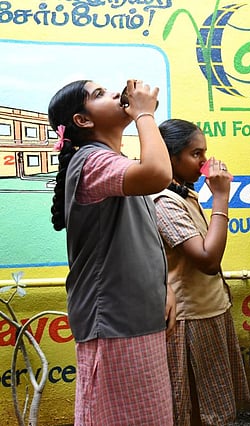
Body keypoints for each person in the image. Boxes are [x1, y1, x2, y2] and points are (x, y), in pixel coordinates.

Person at [49, 79, 175, 425]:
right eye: (99, 94)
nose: (115, 94)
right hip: (113, 322)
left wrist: (163, 290)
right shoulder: (92, 161)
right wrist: (144, 114)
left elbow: (141, 240)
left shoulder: (113, 163)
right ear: (83, 120)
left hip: (135, 318)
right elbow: (159, 173)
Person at [153, 118, 250, 425]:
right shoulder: (163, 202)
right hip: (189, 318)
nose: (204, 161)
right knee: (193, 407)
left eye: (204, 153)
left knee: (211, 404)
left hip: (208, 311)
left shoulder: (184, 195)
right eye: (196, 154)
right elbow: (208, 261)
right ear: (171, 158)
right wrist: (221, 198)